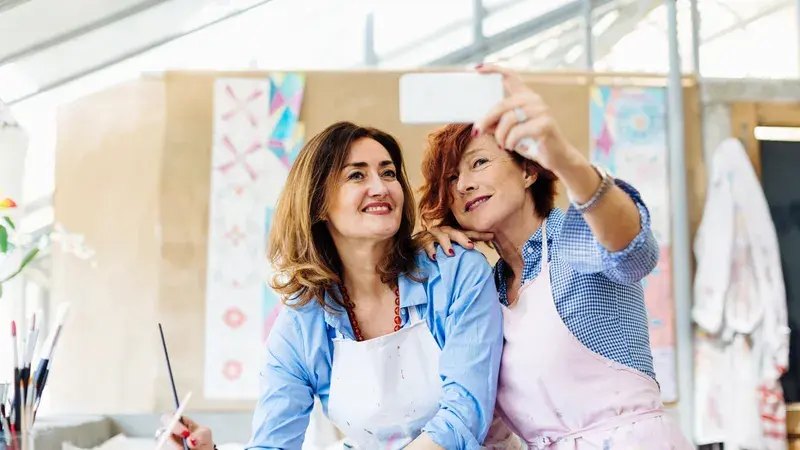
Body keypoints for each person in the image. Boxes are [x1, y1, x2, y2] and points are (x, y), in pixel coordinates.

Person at [158, 121, 504, 450]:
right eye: (357, 175)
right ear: (318, 202)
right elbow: (274, 442)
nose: (381, 187)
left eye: (388, 173)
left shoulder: (455, 272)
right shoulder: (301, 323)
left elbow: (464, 417)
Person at [417, 64, 692, 448]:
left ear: (529, 170)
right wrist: (430, 254)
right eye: (450, 179)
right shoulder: (482, 290)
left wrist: (558, 152)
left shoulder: (575, 237)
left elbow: (634, 253)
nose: (464, 184)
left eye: (479, 163)